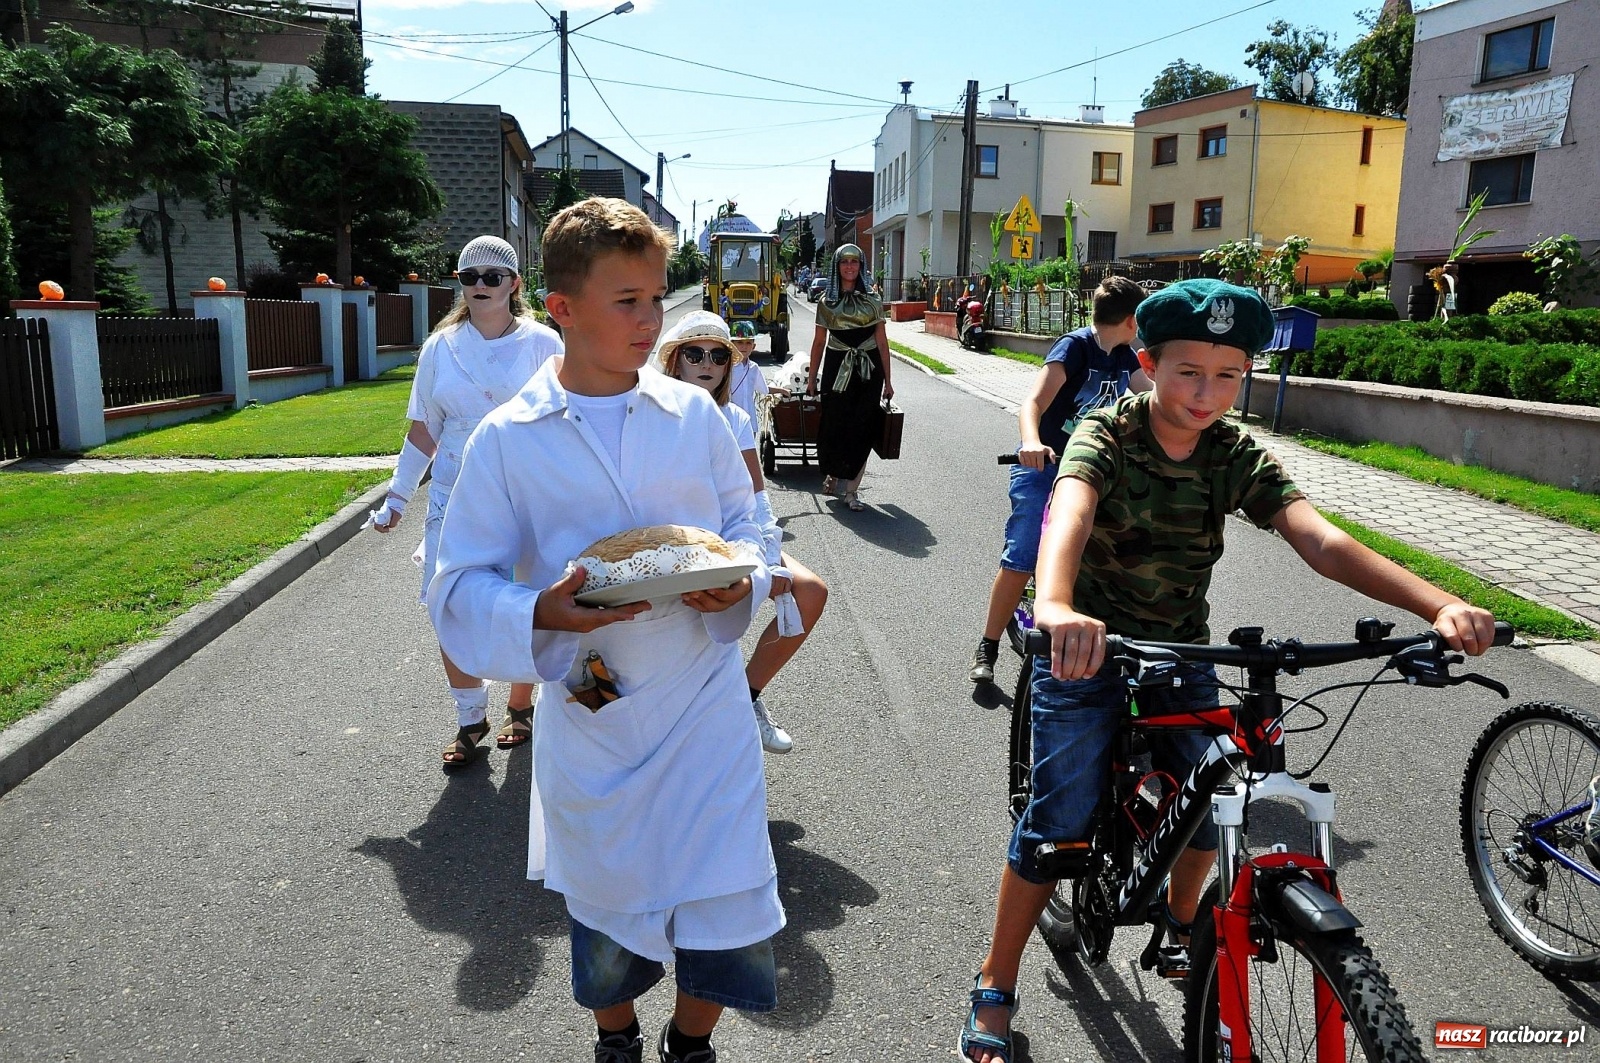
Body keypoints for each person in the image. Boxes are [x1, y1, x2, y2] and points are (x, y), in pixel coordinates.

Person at [959, 279, 1498, 1063]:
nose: (1207, 393)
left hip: (1182, 650)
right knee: (1057, 823)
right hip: (1087, 645)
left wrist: (1439, 603)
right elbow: (1069, 512)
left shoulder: (1230, 451)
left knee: (1216, 789)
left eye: (1228, 375)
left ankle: (1183, 929)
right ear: (1148, 364)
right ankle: (996, 978)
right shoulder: (1107, 434)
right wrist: (1059, 606)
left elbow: (1319, 539)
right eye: (1188, 372)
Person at [428, 198, 782, 1063]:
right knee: (608, 905)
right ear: (562, 307)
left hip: (702, 701)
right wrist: (538, 611)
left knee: (727, 898)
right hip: (595, 706)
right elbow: (457, 586)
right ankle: (615, 1036)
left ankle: (690, 1044)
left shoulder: (694, 416)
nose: (651, 319)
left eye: (656, 297)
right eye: (627, 300)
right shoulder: (509, 440)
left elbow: (749, 524)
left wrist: (737, 580)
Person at [369, 235, 563, 767]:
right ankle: (470, 717)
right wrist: (398, 497)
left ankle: (519, 706)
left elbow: (566, 421)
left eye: (492, 277)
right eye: (469, 277)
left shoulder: (544, 344)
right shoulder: (440, 347)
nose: (480, 285)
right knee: (449, 606)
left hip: (524, 495)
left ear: (514, 284)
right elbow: (423, 429)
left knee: (525, 601)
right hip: (453, 495)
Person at [652, 311, 830, 756]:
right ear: (674, 360)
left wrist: (767, 560)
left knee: (810, 592)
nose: (707, 364)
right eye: (695, 354)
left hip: (734, 536)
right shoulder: (652, 414)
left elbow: (757, 495)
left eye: (718, 356)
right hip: (673, 542)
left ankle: (745, 696)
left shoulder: (734, 418)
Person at [968, 276, 1150, 684]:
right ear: (1131, 320)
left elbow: (1153, 401)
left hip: (1089, 472)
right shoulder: (1074, 347)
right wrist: (1032, 442)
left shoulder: (1126, 357)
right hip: (1043, 466)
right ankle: (988, 645)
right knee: (1023, 555)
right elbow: (1033, 403)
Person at [805, 244, 892, 512]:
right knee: (834, 425)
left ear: (861, 266)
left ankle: (852, 491)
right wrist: (811, 379)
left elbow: (882, 341)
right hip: (836, 368)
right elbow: (819, 342)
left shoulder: (873, 300)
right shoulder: (826, 302)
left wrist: (888, 382)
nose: (850, 266)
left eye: (855, 262)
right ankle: (834, 472)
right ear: (837, 266)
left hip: (868, 371)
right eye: (845, 262)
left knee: (862, 428)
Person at [726, 320, 768, 427]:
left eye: (748, 343)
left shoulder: (754, 368)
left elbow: (764, 389)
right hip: (730, 421)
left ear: (753, 346)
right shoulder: (725, 367)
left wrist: (782, 390)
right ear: (732, 345)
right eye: (740, 342)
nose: (744, 347)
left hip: (749, 421)